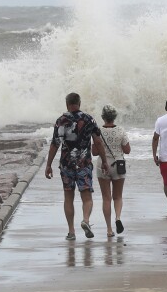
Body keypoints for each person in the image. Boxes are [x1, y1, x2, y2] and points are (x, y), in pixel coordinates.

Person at [45, 92, 108, 240]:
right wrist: (104, 161)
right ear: (79, 103)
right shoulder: (88, 119)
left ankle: (71, 232)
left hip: (66, 165)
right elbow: (98, 142)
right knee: (87, 197)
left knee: (68, 197)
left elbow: (55, 144)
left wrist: (48, 165)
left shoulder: (61, 120)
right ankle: (85, 220)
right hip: (84, 164)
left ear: (67, 104)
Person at [96, 104, 131, 237]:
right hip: (118, 165)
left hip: (103, 165)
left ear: (103, 117)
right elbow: (127, 150)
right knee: (118, 196)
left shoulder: (98, 131)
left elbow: (94, 152)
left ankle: (109, 229)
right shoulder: (121, 130)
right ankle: (117, 218)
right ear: (114, 117)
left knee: (106, 198)